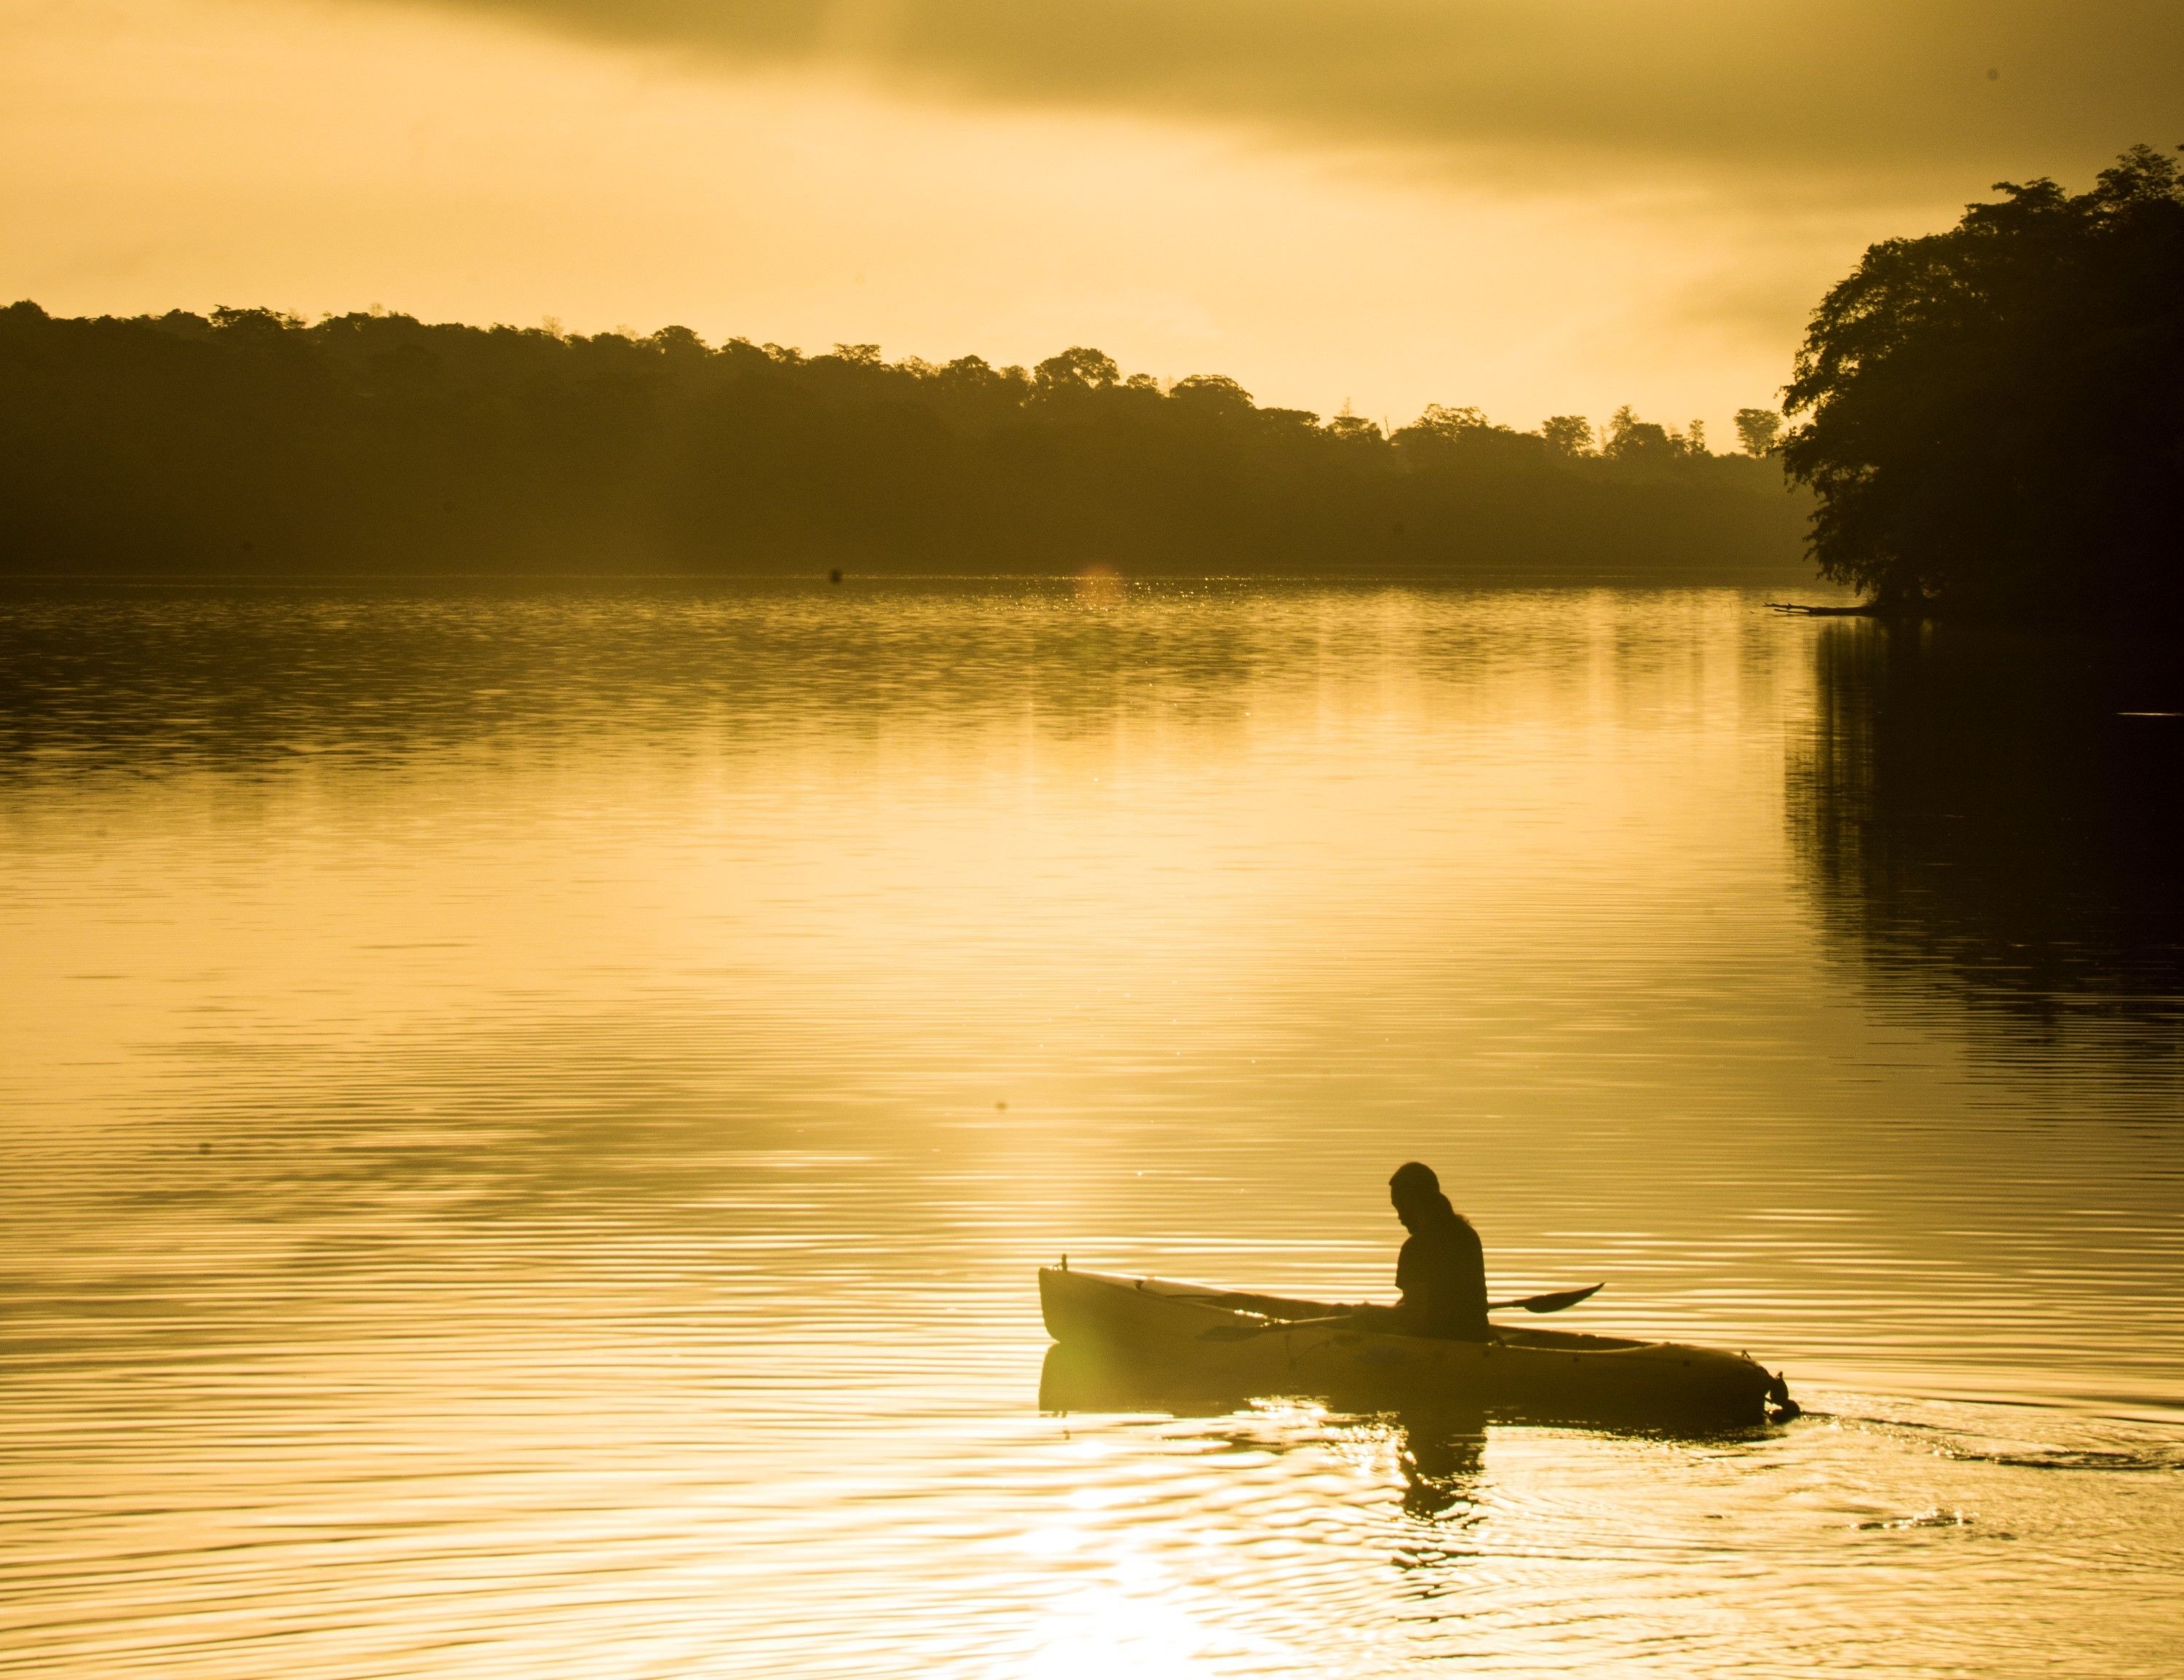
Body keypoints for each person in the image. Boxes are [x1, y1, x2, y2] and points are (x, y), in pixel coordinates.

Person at [1369, 1160, 1489, 1342]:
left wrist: (1368, 1313)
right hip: (1477, 1337)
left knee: (1350, 1317)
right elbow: (1429, 1298)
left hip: (1437, 1341)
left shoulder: (1415, 1248)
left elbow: (1415, 1314)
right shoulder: (1467, 1236)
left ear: (1412, 1203)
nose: (1400, 1217)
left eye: (1399, 1207)